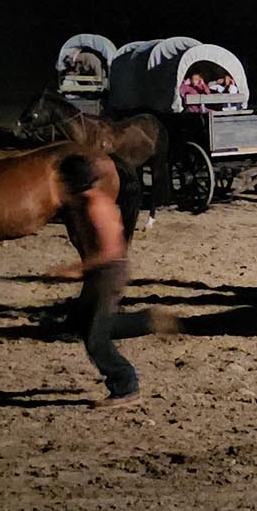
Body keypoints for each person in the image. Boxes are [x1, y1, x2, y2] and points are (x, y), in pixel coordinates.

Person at [47, 155, 171, 408]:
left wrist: (74, 269)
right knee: (85, 323)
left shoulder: (96, 207)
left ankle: (126, 386)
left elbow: (111, 252)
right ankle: (145, 321)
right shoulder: (85, 202)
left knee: (96, 339)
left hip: (108, 274)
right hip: (102, 274)